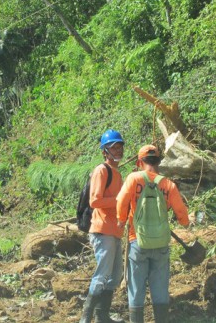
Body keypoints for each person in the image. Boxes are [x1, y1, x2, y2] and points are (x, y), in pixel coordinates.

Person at [116, 145, 189, 323]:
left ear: (139, 162)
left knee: (136, 289)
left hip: (137, 241)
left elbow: (121, 201)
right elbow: (181, 211)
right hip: (161, 244)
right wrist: (184, 223)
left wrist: (121, 220)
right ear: (158, 162)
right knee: (160, 288)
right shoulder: (168, 184)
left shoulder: (133, 179)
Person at [80, 129, 126, 323]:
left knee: (115, 275)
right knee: (102, 275)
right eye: (113, 147)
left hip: (114, 231)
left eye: (120, 147)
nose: (117, 150)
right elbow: (95, 201)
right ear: (104, 151)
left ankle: (102, 316)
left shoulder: (117, 173)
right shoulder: (102, 170)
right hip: (102, 230)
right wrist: (119, 199)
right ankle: (86, 318)